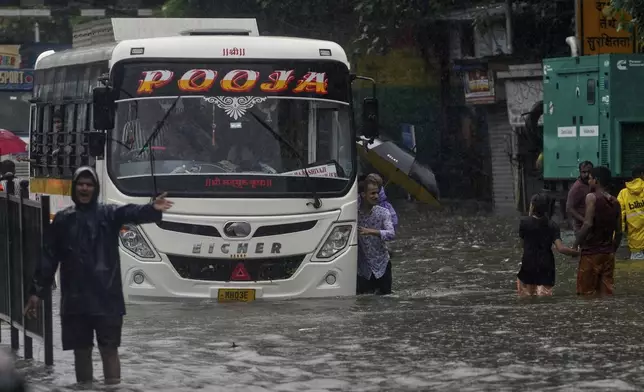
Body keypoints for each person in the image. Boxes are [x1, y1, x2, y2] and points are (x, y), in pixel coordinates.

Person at [23, 166, 174, 386]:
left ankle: (113, 387)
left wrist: (152, 209)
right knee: (81, 351)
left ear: (95, 188)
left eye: (89, 184)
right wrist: (36, 292)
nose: (85, 188)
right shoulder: (63, 220)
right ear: (74, 188)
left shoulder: (109, 214)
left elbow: (130, 212)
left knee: (109, 349)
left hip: (107, 298)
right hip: (75, 301)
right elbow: (48, 258)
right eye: (81, 184)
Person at [516, 193, 579, 296]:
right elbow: (561, 248)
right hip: (546, 264)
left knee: (529, 296)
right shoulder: (552, 225)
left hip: (529, 263)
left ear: (533, 206)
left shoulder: (524, 223)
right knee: (545, 296)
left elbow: (522, 244)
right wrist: (576, 252)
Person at [573, 166, 622, 296]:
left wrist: (575, 244)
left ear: (596, 181)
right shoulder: (616, 202)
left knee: (586, 295)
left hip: (590, 254)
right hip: (608, 255)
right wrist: (612, 250)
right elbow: (619, 232)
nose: (588, 181)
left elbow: (588, 224)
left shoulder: (591, 197)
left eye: (590, 179)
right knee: (606, 294)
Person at [357, 177, 396, 295]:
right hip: (363, 269)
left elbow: (391, 234)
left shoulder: (384, 212)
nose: (376, 196)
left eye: (377, 193)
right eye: (372, 193)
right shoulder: (353, 214)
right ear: (363, 194)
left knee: (386, 300)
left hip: (382, 265)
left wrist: (371, 231)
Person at [617, 165, 644, 260]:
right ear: (642, 175)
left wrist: (617, 237)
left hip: (635, 242)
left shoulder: (623, 193)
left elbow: (619, 216)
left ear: (632, 177)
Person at [566, 161, 594, 233]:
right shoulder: (576, 188)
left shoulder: (592, 183)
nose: (587, 174)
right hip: (581, 227)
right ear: (580, 172)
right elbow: (569, 208)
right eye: (584, 172)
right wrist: (585, 220)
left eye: (589, 172)